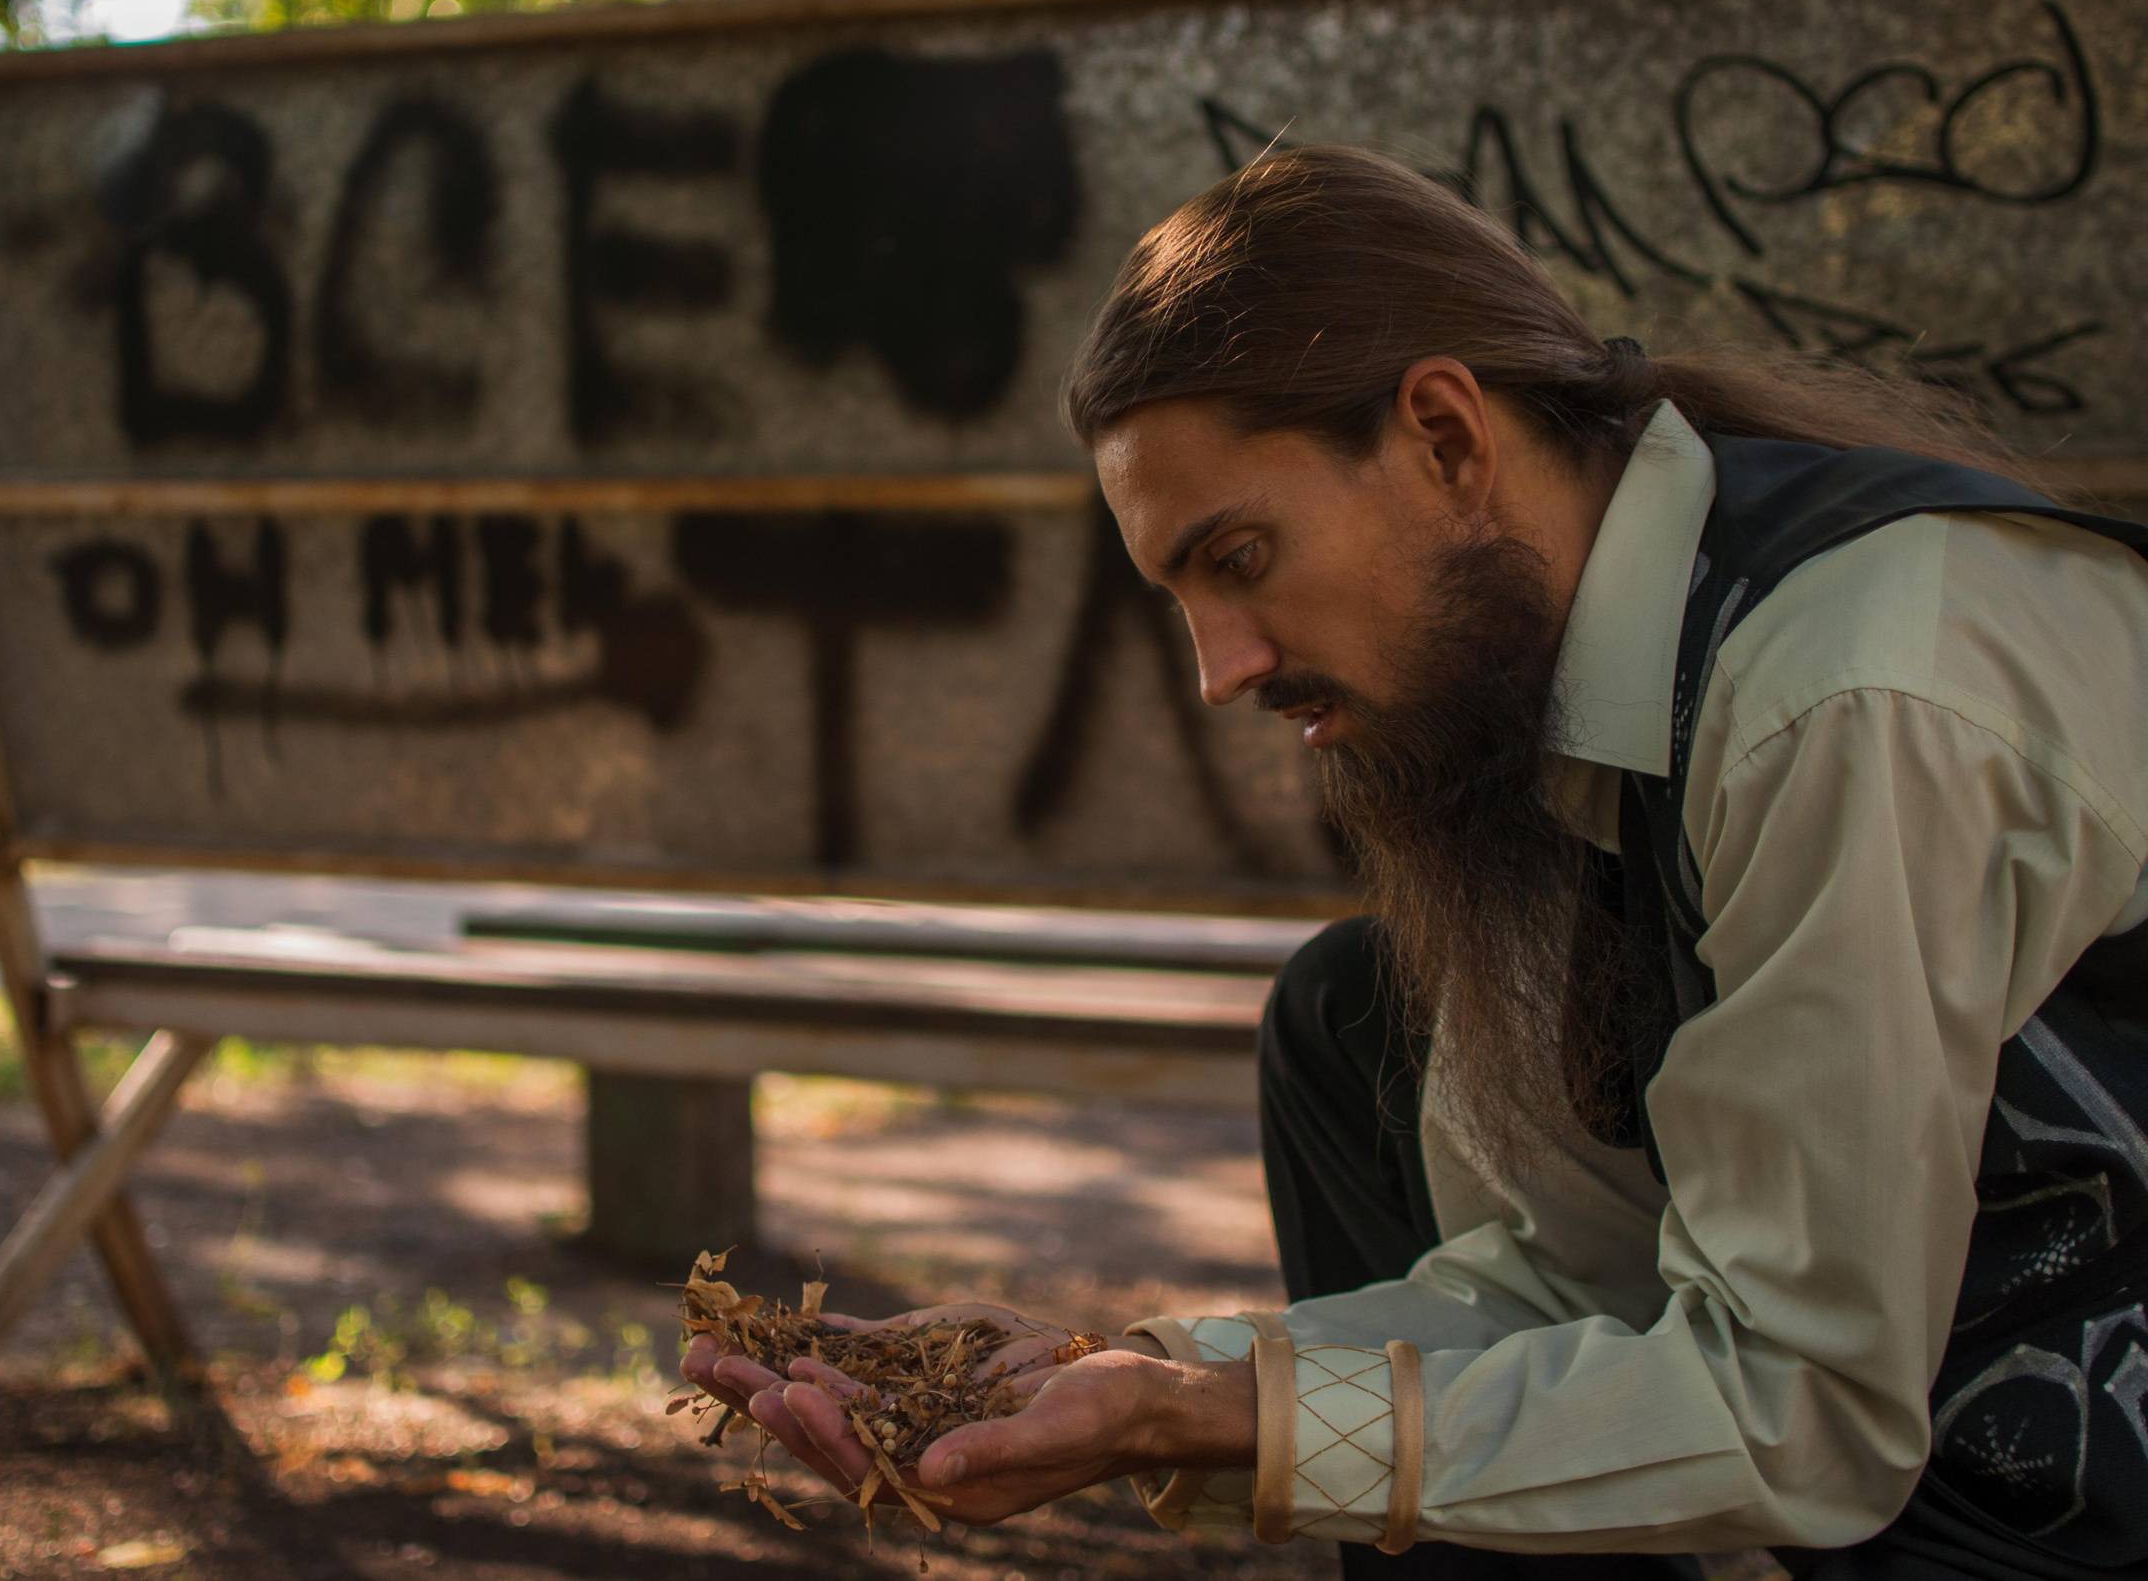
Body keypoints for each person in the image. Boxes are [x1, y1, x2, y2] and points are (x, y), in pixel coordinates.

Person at [681, 146, 2148, 1581]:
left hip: (2055, 1475)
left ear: (1447, 438)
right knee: (1349, 1010)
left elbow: (1800, 1407)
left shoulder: (1838, 700)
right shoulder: (1561, 719)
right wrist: (1147, 1383)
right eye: (1179, 598)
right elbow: (1573, 1282)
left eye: (1239, 559)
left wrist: (1234, 1419)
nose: (1220, 670)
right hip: (1912, 1425)